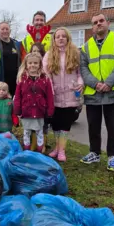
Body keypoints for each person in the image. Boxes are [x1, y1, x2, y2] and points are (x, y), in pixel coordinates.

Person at [79, 13, 114, 172]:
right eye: (95, 22)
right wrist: (95, 84)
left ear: (108, 22)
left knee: (113, 127)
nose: (98, 24)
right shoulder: (86, 46)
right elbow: (83, 68)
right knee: (93, 126)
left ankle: (113, 157)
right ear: (92, 27)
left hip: (113, 91)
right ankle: (94, 153)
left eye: (101, 21)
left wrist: (109, 83)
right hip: (93, 92)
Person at [43, 27, 84, 162]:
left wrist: (80, 83)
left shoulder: (75, 53)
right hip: (55, 95)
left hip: (71, 94)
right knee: (55, 123)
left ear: (67, 38)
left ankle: (62, 150)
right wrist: (50, 90)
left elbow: (80, 73)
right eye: (57, 36)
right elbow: (46, 75)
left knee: (66, 123)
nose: (60, 38)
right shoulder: (48, 55)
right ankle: (56, 147)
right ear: (54, 40)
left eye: (63, 36)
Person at [14, 53, 54, 152]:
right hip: (26, 111)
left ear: (40, 64)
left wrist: (50, 110)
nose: (33, 65)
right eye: (30, 63)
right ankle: (27, 151)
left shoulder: (45, 79)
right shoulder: (21, 79)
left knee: (39, 131)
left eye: (35, 63)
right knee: (26, 132)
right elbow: (18, 96)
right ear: (26, 64)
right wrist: (17, 109)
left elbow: (49, 96)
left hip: (40, 111)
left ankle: (40, 152)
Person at [0, 22, 21, 96]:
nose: (5, 31)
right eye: (2, 29)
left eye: (7, 29)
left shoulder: (17, 44)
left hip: (15, 80)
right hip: (1, 79)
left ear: (10, 31)